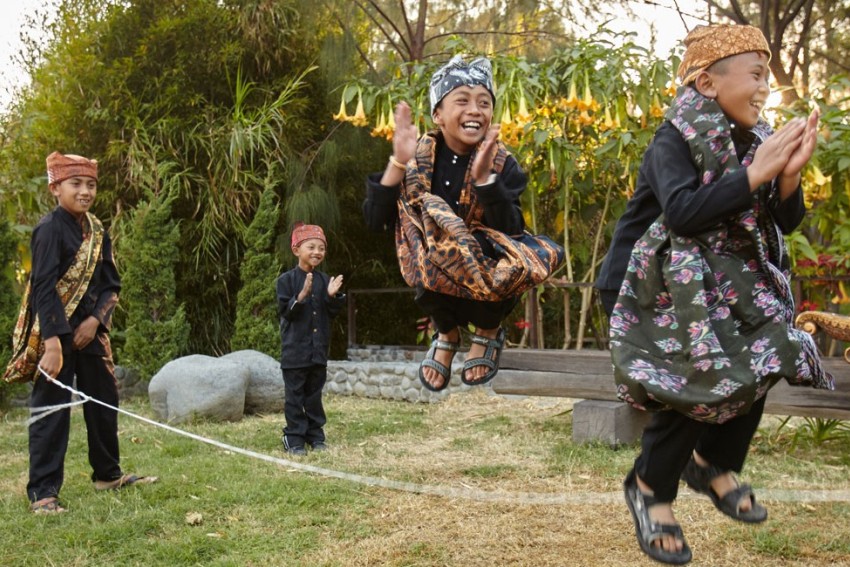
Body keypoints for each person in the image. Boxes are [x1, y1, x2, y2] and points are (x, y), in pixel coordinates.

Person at [595, 25, 833, 564]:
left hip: (715, 284)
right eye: (756, 75)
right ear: (707, 82)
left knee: (773, 342)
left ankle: (711, 463)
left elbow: (781, 220)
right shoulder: (673, 138)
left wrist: (787, 178)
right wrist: (756, 173)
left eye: (767, 80)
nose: (765, 89)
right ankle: (650, 489)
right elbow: (682, 212)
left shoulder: (752, 141)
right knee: (698, 373)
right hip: (646, 286)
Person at [363, 55, 563, 392]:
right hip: (437, 277)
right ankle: (447, 332)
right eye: (462, 101)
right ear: (437, 115)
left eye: (484, 103)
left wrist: (486, 183)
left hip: (486, 277)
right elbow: (374, 222)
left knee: (501, 254)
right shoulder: (415, 160)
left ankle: (488, 329)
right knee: (423, 241)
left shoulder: (502, 162)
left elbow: (512, 231)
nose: (475, 110)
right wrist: (398, 162)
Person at [3, 152, 158, 515]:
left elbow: (111, 284)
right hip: (54, 334)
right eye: (76, 184)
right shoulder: (48, 229)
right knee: (51, 410)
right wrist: (53, 344)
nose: (85, 191)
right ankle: (43, 492)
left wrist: (94, 322)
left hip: (91, 333)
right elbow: (43, 288)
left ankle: (107, 474)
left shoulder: (98, 230)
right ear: (55, 188)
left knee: (104, 402)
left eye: (91, 185)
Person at [276, 222, 345, 456]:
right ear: (296, 250)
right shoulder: (285, 281)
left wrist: (332, 296)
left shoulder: (325, 280)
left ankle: (316, 436)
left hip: (318, 352)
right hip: (294, 354)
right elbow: (286, 312)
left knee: (314, 398)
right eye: (311, 247)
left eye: (321, 248)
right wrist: (303, 294)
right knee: (295, 399)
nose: (317, 252)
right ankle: (294, 439)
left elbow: (331, 313)